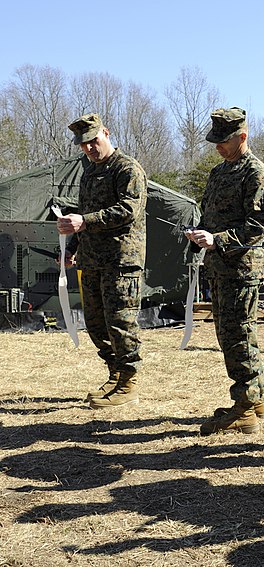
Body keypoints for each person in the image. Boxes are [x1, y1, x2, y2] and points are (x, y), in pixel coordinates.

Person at [186, 107, 264, 435]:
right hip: (219, 268)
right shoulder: (219, 173)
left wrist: (217, 238)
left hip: (242, 269)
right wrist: (197, 235)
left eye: (224, 141)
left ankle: (244, 408)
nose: (218, 147)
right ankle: (257, 396)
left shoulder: (256, 173)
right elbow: (209, 217)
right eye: (215, 141)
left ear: (243, 136)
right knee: (232, 335)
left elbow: (256, 228)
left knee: (237, 336)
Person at [58, 113, 147, 409]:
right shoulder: (89, 173)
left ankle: (129, 381)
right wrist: (71, 248)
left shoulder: (127, 169)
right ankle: (115, 374)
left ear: (106, 133)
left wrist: (83, 221)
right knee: (97, 325)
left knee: (121, 323)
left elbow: (127, 210)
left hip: (121, 261)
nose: (89, 149)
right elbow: (83, 215)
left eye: (94, 141)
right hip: (92, 261)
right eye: (83, 145)